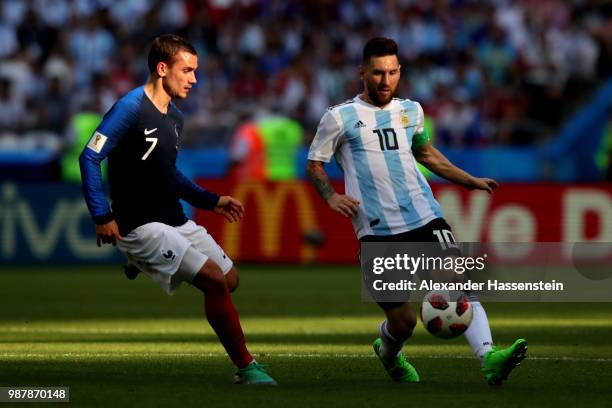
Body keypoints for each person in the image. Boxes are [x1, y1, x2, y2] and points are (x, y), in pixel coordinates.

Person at [306, 37, 527, 386]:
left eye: (392, 72)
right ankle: (389, 352)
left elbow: (425, 153)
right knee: (403, 322)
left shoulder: (411, 110)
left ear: (400, 72)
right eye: (378, 73)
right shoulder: (339, 117)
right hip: (376, 229)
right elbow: (315, 164)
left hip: (424, 214)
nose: (385, 80)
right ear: (362, 72)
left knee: (456, 281)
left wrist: (467, 179)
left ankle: (489, 357)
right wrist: (331, 197)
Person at [79, 34, 276, 385]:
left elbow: (168, 174)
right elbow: (90, 156)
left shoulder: (176, 118)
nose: (194, 79)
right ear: (161, 68)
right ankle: (246, 367)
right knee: (214, 282)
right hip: (138, 223)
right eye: (187, 70)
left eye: (195, 71)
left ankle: (138, 262)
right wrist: (102, 215)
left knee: (230, 280)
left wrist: (211, 201)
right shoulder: (129, 107)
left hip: (172, 217)